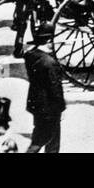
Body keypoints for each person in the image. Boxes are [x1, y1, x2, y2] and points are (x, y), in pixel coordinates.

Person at [24, 21, 65, 152]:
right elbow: (55, 88)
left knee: (39, 135)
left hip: (36, 103)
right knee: (49, 141)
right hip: (50, 107)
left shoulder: (31, 56)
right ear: (49, 40)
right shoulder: (49, 62)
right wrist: (61, 107)